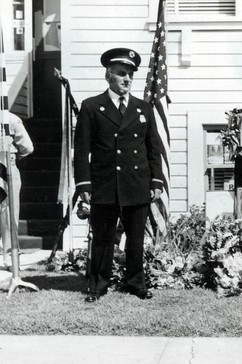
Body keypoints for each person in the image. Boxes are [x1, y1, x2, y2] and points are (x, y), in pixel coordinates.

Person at [74, 47, 164, 302]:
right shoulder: (91, 107)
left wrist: (156, 180)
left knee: (135, 240)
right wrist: (84, 185)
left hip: (137, 183)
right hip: (105, 184)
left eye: (130, 75)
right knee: (103, 239)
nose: (126, 79)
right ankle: (97, 285)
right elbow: (81, 151)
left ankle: (136, 283)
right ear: (108, 76)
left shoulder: (143, 108)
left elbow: (152, 148)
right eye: (121, 74)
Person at [1, 112, 34, 267]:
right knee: (6, 211)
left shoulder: (12, 120)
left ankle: (9, 255)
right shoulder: (10, 118)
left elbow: (27, 147)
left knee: (8, 211)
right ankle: (6, 257)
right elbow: (27, 148)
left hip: (5, 166)